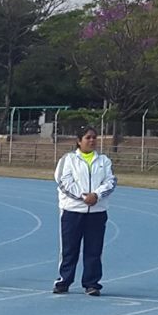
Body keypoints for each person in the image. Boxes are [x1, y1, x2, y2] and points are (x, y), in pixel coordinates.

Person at [54, 127, 116, 296]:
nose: (92, 140)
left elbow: (110, 181)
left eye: (94, 137)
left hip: (97, 212)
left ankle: (91, 283)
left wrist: (96, 195)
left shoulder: (104, 161)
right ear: (79, 141)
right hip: (72, 211)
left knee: (94, 250)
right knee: (69, 249)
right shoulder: (68, 159)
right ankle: (64, 280)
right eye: (88, 137)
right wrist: (84, 197)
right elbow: (63, 181)